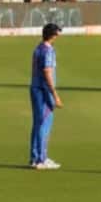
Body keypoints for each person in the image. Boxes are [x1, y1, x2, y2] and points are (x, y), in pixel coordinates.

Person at [29, 22, 63, 170]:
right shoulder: (48, 51)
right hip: (44, 91)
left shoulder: (38, 48)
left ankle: (35, 157)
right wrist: (54, 94)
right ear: (52, 35)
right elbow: (47, 72)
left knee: (37, 124)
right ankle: (41, 159)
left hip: (35, 89)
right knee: (44, 125)